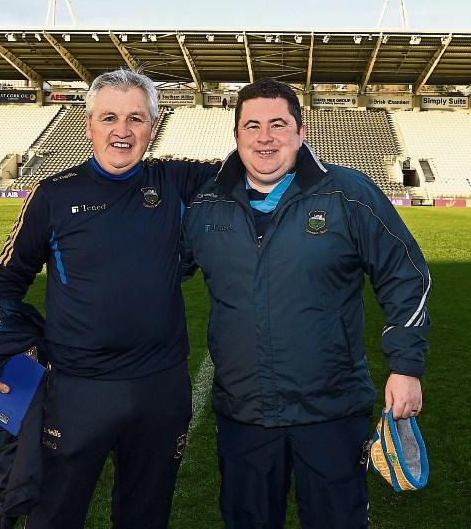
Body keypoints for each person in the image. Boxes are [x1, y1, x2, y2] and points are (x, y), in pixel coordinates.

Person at [181, 78, 432, 529]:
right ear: (236, 136)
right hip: (244, 416)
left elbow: (406, 274)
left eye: (278, 124)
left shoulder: (348, 194)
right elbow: (152, 276)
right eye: (251, 125)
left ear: (300, 131)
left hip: (330, 412)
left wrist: (406, 366)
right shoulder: (205, 204)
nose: (265, 137)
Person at [0, 68, 218, 528]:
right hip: (76, 391)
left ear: (153, 126)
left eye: (137, 118)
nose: (122, 131)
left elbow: (257, 160)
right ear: (89, 123)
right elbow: (6, 282)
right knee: (54, 515)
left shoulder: (176, 182)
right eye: (109, 117)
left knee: (146, 517)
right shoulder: (52, 195)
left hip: (161, 389)